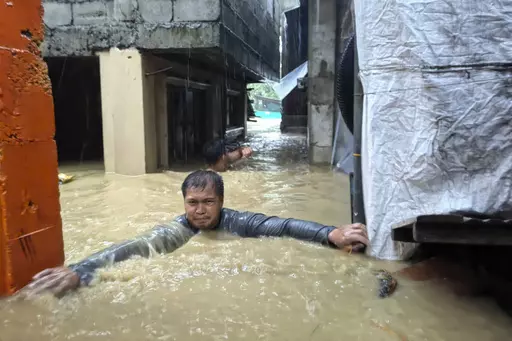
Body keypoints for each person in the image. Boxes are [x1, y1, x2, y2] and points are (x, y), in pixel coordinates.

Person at [23, 170, 369, 298]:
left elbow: (283, 226)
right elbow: (139, 246)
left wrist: (330, 234)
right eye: (192, 203)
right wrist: (80, 271)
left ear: (221, 202)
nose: (200, 211)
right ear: (184, 202)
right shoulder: (180, 230)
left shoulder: (238, 222)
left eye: (208, 203)